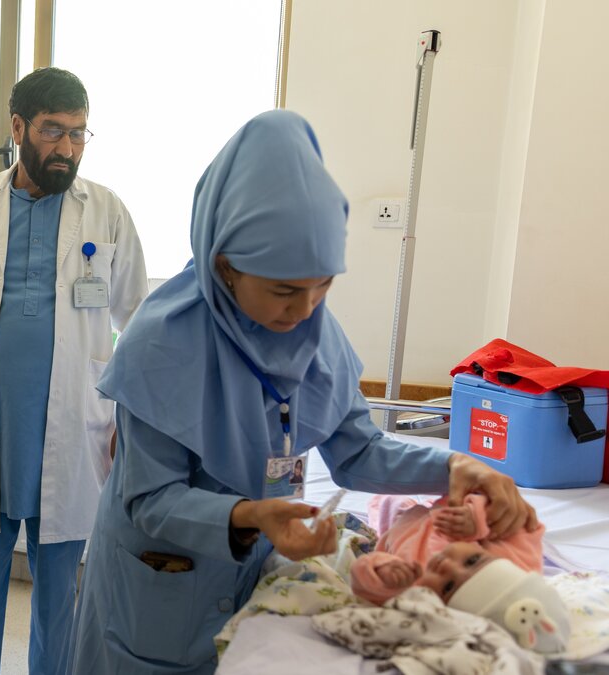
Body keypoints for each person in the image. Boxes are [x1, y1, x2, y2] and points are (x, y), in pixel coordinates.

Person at [70, 110, 538, 673]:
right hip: (160, 584)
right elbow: (150, 499)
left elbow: (359, 451)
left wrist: (456, 467)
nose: (305, 309)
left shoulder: (317, 336)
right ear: (225, 266)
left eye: (324, 285)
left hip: (257, 580)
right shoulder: (161, 344)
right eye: (284, 290)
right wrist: (249, 515)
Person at [0, 66, 148, 675]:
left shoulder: (107, 211)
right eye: (53, 131)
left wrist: (130, 419)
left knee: (61, 593)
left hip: (74, 425)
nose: (67, 147)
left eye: (79, 133)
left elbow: (142, 323)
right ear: (18, 128)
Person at [351, 494, 568, 653]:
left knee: (386, 501)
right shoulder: (516, 563)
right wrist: (478, 519)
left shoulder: (416, 594)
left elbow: (365, 589)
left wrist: (383, 573)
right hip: (451, 510)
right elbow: (521, 517)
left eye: (448, 586)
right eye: (472, 561)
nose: (446, 566)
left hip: (399, 527)